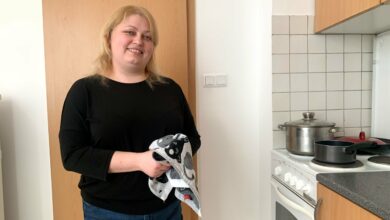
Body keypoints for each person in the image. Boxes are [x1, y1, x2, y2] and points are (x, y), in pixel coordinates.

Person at [59, 5, 201, 220]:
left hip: (167, 209)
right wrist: (140, 161)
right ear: (108, 39)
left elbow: (193, 138)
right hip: (107, 211)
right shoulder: (84, 91)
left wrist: (170, 155)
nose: (139, 40)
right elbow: (72, 156)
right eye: (129, 32)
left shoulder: (170, 89)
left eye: (147, 36)